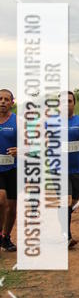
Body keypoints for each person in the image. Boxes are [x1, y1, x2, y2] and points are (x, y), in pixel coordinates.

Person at [67, 91, 79, 249]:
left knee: (73, 203)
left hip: (77, 169)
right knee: (66, 201)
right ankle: (66, 236)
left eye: (69, 101)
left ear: (74, 103)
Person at [0, 88, 17, 252]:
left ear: (12, 102)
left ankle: (6, 237)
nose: (3, 102)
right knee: (1, 199)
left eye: (6, 99)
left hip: (13, 169)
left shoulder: (17, 121)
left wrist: (20, 150)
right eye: (0, 99)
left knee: (12, 208)